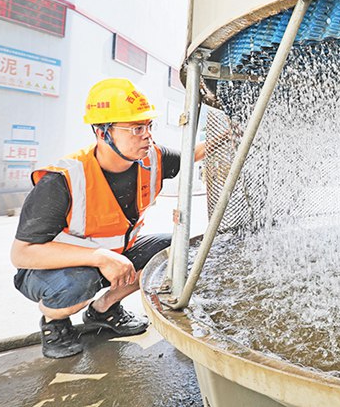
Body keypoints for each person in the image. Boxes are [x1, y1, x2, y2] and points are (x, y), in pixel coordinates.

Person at [11, 78, 205, 358]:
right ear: (103, 133)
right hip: (56, 270)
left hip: (115, 257)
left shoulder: (151, 158)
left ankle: (103, 310)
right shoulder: (63, 180)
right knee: (77, 283)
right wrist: (100, 258)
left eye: (149, 126)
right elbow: (22, 254)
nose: (147, 136)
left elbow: (193, 154)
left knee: (177, 249)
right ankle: (55, 322)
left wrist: (234, 132)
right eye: (136, 128)